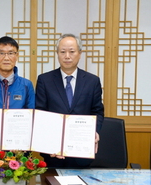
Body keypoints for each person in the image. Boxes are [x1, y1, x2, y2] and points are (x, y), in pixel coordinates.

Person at [35, 33, 104, 168]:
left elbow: (97, 111)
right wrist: (49, 142)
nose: (67, 56)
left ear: (80, 53)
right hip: (53, 152)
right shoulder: (45, 80)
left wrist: (93, 132)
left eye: (72, 51)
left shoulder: (92, 81)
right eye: (62, 52)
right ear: (57, 54)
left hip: (82, 152)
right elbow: (40, 113)